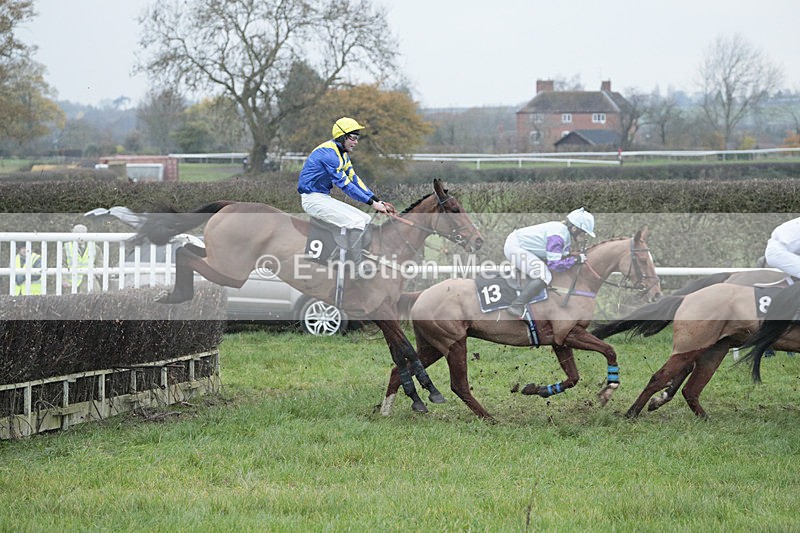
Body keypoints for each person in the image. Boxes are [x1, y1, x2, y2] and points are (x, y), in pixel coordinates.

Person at [297, 117, 395, 275]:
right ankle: (357, 268)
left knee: (365, 219)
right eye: (353, 138)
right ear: (342, 137)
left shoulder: (342, 155)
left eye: (357, 138)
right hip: (312, 199)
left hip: (322, 197)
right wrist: (372, 204)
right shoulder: (328, 155)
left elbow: (354, 180)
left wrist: (377, 200)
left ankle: (358, 257)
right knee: (355, 221)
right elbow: (346, 186)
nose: (356, 142)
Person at [504, 207, 596, 317]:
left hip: (522, 246)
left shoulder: (564, 234)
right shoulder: (558, 236)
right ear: (574, 228)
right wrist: (576, 260)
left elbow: (563, 256)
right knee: (545, 275)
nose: (584, 236)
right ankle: (517, 305)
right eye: (583, 233)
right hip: (515, 247)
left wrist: (575, 258)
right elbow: (554, 264)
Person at [63, 224, 102, 293]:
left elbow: (100, 263)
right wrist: (64, 280)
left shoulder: (95, 248)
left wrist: (95, 275)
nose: (80, 237)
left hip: (90, 284)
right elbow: (62, 265)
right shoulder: (66, 248)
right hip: (72, 285)